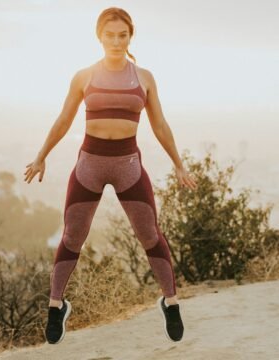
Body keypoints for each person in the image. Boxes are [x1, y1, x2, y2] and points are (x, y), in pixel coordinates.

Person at [24, 7, 197, 345]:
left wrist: (178, 163)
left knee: (149, 234)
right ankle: (56, 306)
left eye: (123, 35)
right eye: (109, 35)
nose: (116, 41)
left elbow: (159, 124)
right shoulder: (83, 76)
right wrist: (41, 155)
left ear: (130, 36)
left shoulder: (144, 77)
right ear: (99, 36)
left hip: (128, 165)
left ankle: (170, 302)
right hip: (90, 164)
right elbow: (63, 120)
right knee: (73, 236)